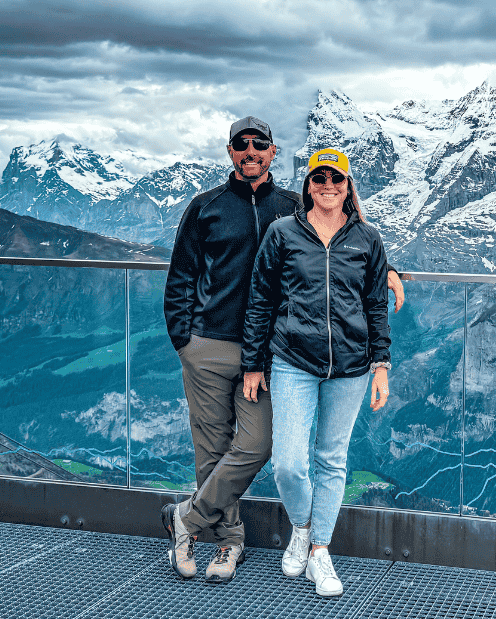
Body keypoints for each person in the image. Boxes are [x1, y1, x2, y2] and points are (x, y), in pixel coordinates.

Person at [162, 120, 403, 584]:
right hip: (210, 346)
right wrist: (185, 340)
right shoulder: (204, 207)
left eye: (259, 145)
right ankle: (228, 544)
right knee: (212, 448)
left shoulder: (294, 206)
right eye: (241, 145)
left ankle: (186, 519)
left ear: (274, 153)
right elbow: (181, 277)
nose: (250, 151)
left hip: (271, 353)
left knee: (254, 446)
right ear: (231, 152)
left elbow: (342, 242)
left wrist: (386, 268)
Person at [240, 148, 391, 597]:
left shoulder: (367, 238)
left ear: (348, 186)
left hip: (351, 367)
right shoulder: (282, 233)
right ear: (308, 184)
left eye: (337, 179)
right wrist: (253, 363)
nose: (328, 185)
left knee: (331, 459)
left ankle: (319, 550)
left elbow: (376, 306)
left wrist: (381, 365)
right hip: (292, 361)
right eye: (320, 177)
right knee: (288, 463)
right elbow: (260, 299)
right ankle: (302, 528)